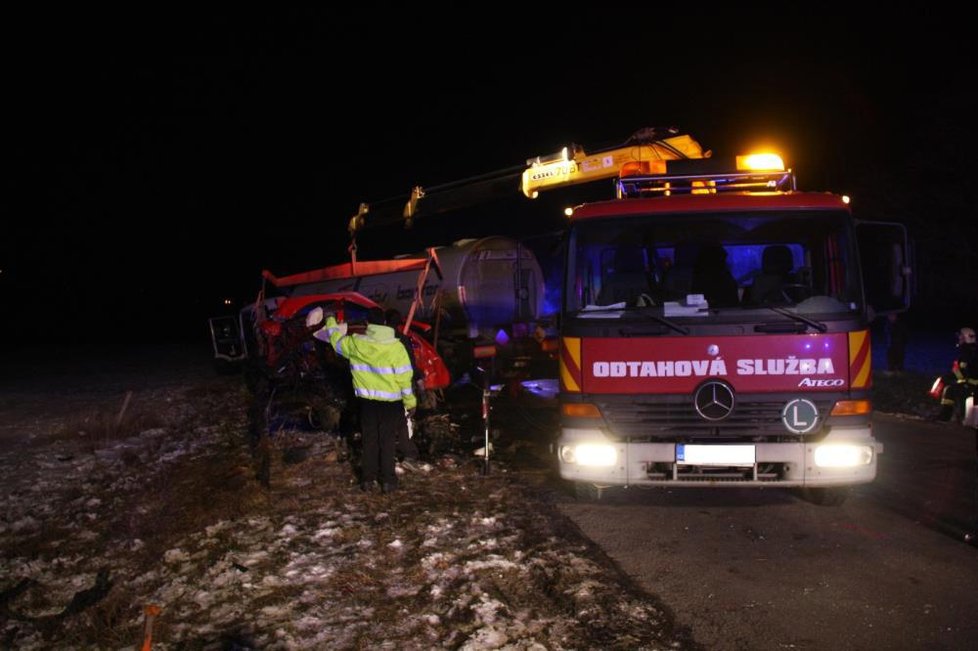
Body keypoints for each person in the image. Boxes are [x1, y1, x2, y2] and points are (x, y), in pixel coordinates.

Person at [306, 306, 416, 493]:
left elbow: (336, 342)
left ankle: (368, 480)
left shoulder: (357, 343)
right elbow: (405, 379)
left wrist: (331, 320)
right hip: (391, 404)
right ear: (383, 323)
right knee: (387, 442)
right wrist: (410, 402)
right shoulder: (396, 347)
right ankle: (388, 481)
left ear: (367, 324)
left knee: (369, 440)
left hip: (367, 404)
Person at [384, 308, 423, 464]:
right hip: (401, 388)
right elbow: (411, 365)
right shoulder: (403, 340)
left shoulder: (382, 341)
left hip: (385, 388)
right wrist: (418, 381)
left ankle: (391, 452)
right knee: (404, 422)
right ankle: (408, 452)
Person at [938, 327, 978, 423]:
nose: (959, 339)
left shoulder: (968, 352)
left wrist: (946, 377)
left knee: (950, 390)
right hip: (971, 385)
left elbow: (963, 373)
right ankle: (951, 417)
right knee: (951, 389)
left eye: (961, 337)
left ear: (965, 338)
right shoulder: (970, 351)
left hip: (973, 387)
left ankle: (945, 417)